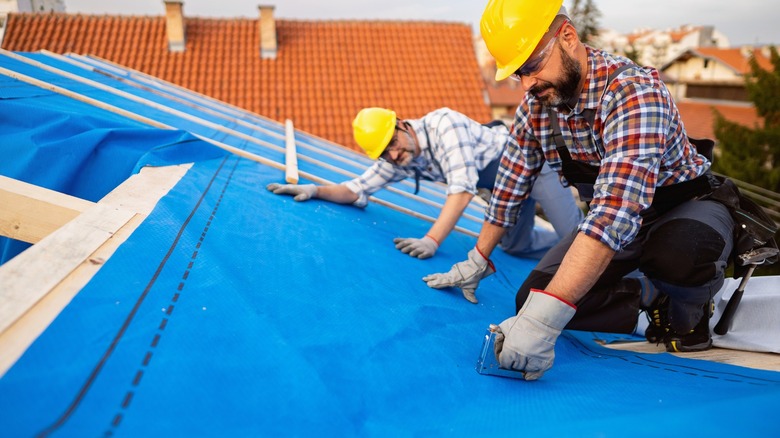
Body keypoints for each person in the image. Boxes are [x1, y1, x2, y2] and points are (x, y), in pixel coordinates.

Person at [424, 0, 740, 380]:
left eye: (531, 67)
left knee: (680, 252)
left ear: (568, 38)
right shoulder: (537, 108)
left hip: (685, 206)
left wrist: (544, 323)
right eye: (517, 74)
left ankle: (689, 315)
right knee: (531, 298)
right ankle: (647, 299)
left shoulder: (634, 93)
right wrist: (479, 256)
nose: (526, 84)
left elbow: (613, 213)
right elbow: (510, 184)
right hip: (619, 222)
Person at [267, 107, 583, 298]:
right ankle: (561, 245)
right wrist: (316, 190)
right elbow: (357, 188)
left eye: (391, 143)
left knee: (580, 240)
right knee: (516, 246)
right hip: (505, 188)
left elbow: (461, 190)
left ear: (403, 125)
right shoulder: (400, 157)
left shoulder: (445, 125)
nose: (392, 155)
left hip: (533, 167)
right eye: (384, 153)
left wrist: (432, 240)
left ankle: (631, 281)